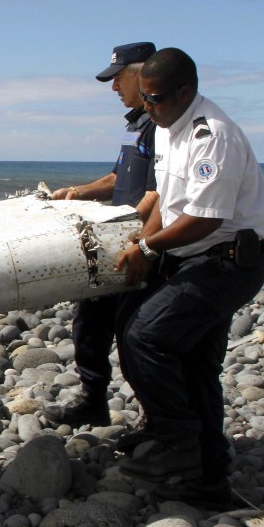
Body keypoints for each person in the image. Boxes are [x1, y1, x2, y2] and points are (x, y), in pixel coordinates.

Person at [113, 48, 264, 508]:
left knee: (147, 337)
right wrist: (145, 243)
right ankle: (208, 477)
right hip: (191, 257)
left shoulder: (213, 137)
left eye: (156, 98)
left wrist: (148, 248)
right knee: (190, 361)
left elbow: (204, 218)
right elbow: (168, 200)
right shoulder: (168, 126)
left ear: (185, 92)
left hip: (226, 262)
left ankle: (177, 442)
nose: (148, 107)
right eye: (144, 98)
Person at [45, 42, 159, 427]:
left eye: (118, 78)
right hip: (116, 241)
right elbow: (116, 178)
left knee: (134, 335)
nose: (113, 88)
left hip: (141, 244)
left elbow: (160, 195)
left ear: (142, 74)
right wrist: (77, 192)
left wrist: (140, 243)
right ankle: (93, 398)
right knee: (89, 320)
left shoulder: (161, 127)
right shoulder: (134, 125)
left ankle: (156, 417)